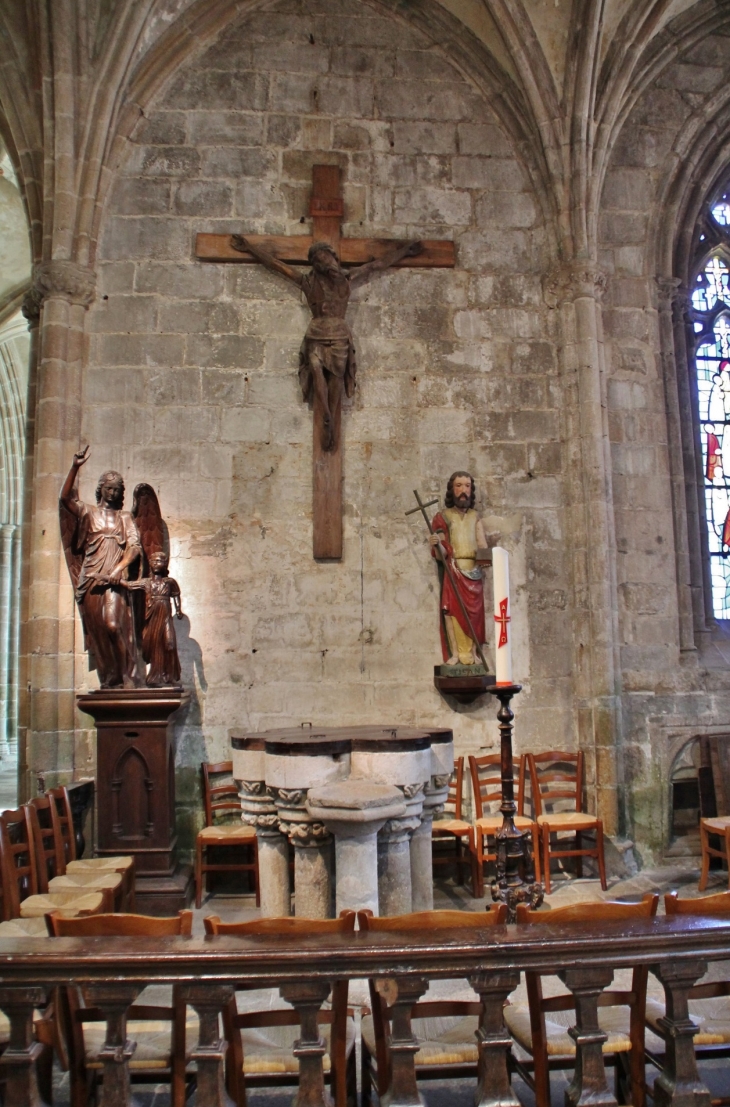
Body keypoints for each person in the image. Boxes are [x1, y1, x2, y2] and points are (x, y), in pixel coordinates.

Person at [231, 235, 422, 450]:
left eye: (328, 258)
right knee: (314, 367)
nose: (326, 263)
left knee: (337, 376)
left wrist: (404, 251)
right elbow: (276, 265)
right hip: (317, 332)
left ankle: (331, 418)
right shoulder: (307, 282)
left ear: (334, 259)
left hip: (339, 333)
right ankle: (326, 415)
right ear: (316, 265)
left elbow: (377, 265)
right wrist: (249, 248)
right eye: (320, 260)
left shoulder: (347, 279)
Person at [59, 446, 141, 688]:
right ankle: (111, 676)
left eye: (117, 489)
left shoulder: (125, 517)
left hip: (113, 579)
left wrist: (119, 568)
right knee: (99, 632)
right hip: (91, 577)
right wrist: (75, 467)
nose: (114, 492)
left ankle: (128, 675)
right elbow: (65, 499)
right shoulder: (88, 513)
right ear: (101, 490)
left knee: (113, 625)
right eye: (109, 488)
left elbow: (135, 547)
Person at [430, 472, 488, 666]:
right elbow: (441, 554)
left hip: (473, 572)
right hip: (454, 571)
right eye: (459, 486)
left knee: (474, 614)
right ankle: (455, 654)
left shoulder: (475, 517)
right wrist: (437, 544)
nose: (463, 491)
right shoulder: (444, 517)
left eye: (467, 486)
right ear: (452, 489)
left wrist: (488, 557)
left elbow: (482, 546)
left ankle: (473, 653)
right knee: (451, 611)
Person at [117, 551, 183, 687]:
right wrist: (115, 578)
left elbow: (176, 595)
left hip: (165, 617)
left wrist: (178, 610)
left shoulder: (169, 582)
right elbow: (130, 586)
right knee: (155, 646)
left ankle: (169, 676)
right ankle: (155, 677)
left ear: (165, 564)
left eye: (159, 561)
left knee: (169, 643)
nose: (156, 563)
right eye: (153, 561)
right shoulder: (146, 582)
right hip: (152, 617)